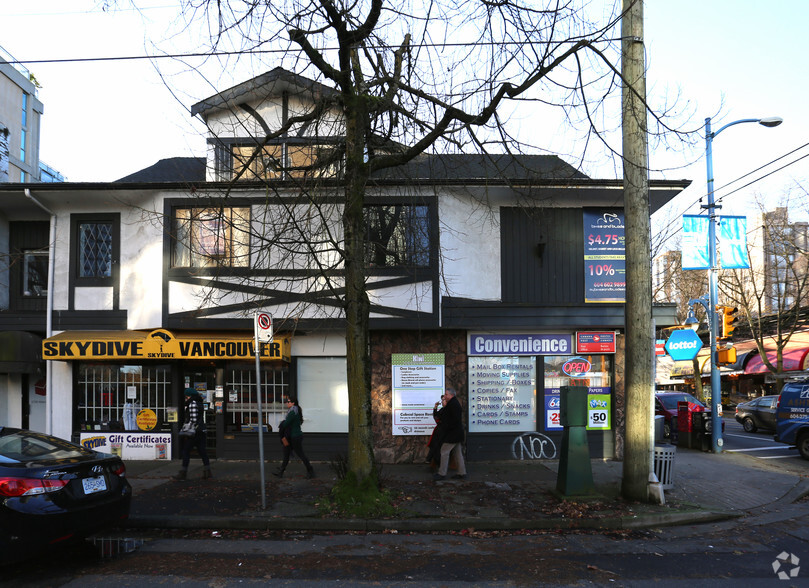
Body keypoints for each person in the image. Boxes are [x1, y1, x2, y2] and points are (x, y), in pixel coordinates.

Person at [273, 396, 315, 479]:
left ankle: (310, 470)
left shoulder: (293, 412)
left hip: (295, 437)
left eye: (288, 402)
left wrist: (282, 423)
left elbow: (286, 424)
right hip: (290, 437)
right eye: (287, 402)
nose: (287, 403)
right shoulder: (294, 410)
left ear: (293, 403)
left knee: (301, 454)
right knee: (286, 454)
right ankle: (281, 472)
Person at [176, 388, 212, 480]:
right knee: (202, 451)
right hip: (201, 431)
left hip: (194, 432)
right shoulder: (200, 403)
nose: (186, 398)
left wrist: (186, 428)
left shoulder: (192, 404)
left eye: (187, 396)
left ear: (190, 396)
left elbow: (193, 420)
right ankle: (207, 471)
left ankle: (183, 473)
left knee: (186, 451)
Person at [432, 388, 467, 481]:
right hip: (456, 434)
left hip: (452, 435)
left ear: (451, 395)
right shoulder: (453, 404)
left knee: (444, 452)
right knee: (457, 453)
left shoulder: (452, 405)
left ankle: (442, 473)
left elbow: (451, 421)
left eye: (446, 394)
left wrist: (446, 428)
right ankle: (462, 472)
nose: (445, 396)